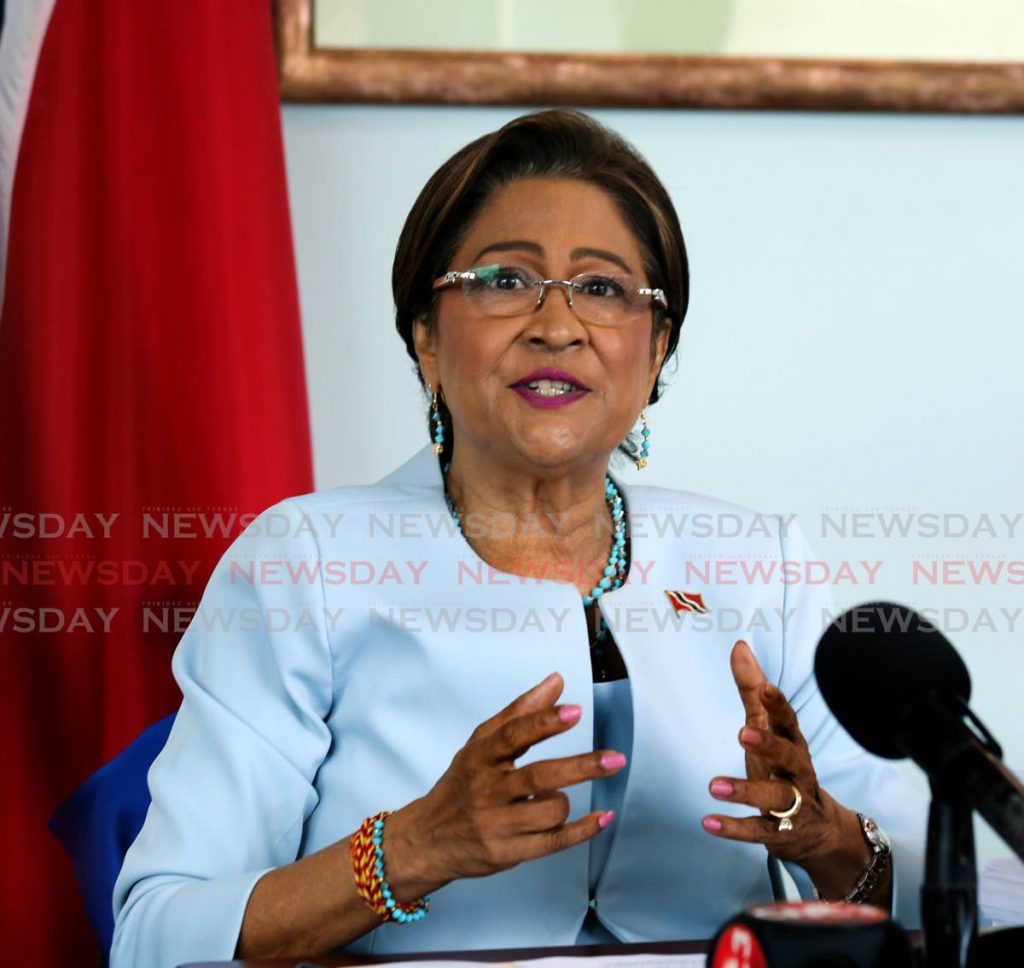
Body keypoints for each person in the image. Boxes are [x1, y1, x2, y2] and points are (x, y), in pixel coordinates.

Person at [111, 109, 927, 967]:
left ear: (656, 353)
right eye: (505, 280)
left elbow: (946, 894)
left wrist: (824, 835)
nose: (556, 324)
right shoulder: (306, 564)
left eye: (605, 289)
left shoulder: (758, 565)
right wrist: (413, 850)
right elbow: (158, 935)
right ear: (425, 334)